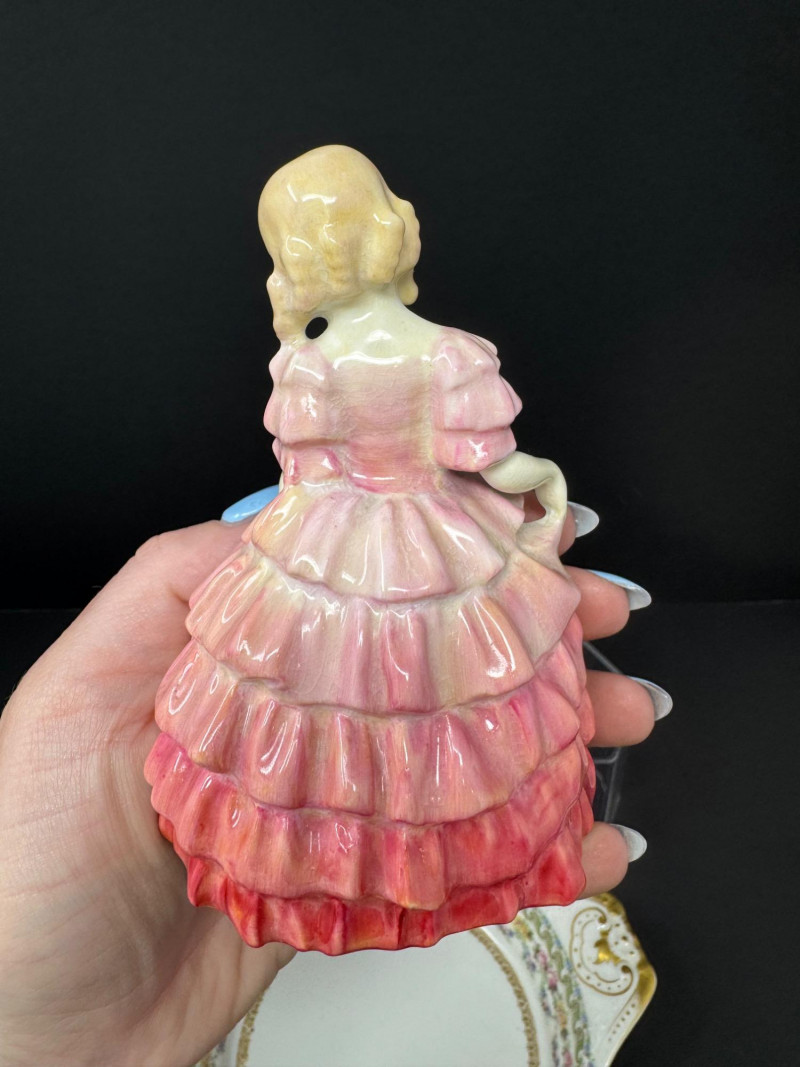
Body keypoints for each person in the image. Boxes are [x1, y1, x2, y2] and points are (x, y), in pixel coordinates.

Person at [0, 145, 668, 1064]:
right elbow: (490, 462)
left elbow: (304, 476)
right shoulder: (450, 354)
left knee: (318, 719)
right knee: (455, 719)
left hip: (323, 546)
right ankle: (433, 873)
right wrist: (548, 483)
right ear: (392, 225)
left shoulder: (307, 366)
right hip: (445, 543)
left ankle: (321, 872)